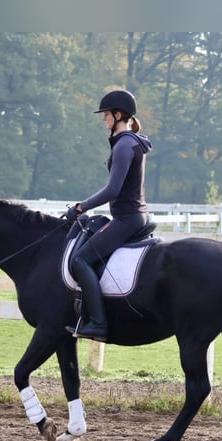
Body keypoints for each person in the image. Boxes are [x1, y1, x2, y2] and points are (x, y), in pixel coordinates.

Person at [64, 89, 153, 342]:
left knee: (80, 260)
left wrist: (82, 207)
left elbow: (113, 189)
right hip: (132, 216)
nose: (104, 119)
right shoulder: (128, 142)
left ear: (118, 114)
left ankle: (98, 324)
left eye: (106, 115)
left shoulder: (125, 144)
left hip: (127, 218)